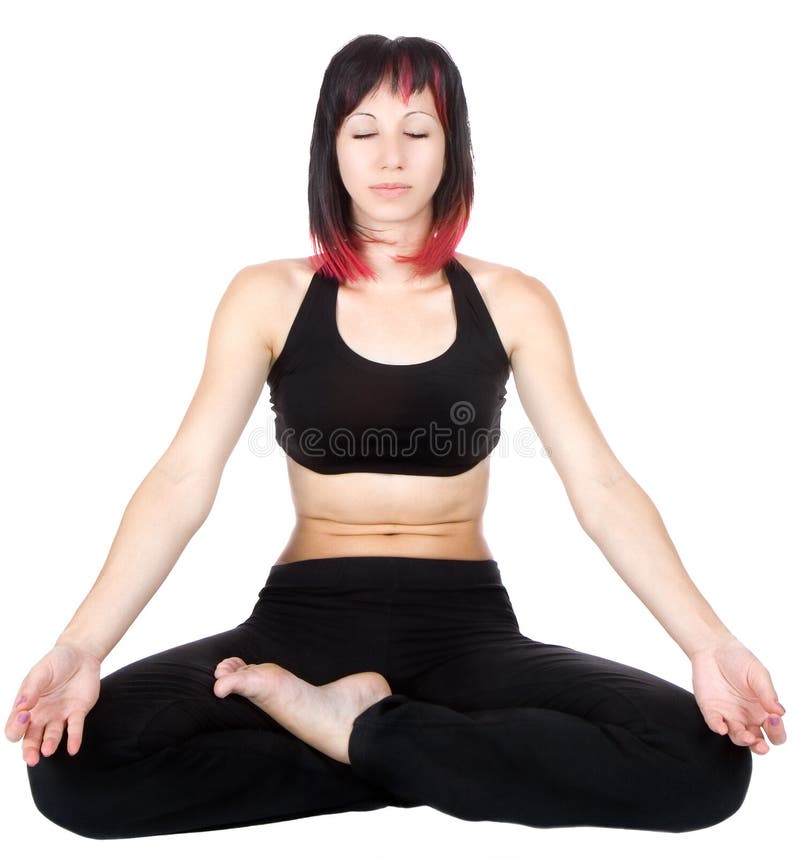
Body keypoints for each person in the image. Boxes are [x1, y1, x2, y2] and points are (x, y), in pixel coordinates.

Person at [4, 33, 787, 840]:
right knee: (71, 766)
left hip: (466, 629)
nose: (391, 156)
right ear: (329, 147)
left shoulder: (513, 300)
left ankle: (351, 730)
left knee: (705, 763)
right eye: (363, 130)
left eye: (417, 131)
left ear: (451, 148)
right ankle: (425, 754)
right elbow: (180, 481)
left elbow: (602, 488)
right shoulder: (267, 295)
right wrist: (79, 646)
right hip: (300, 622)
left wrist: (711, 642)